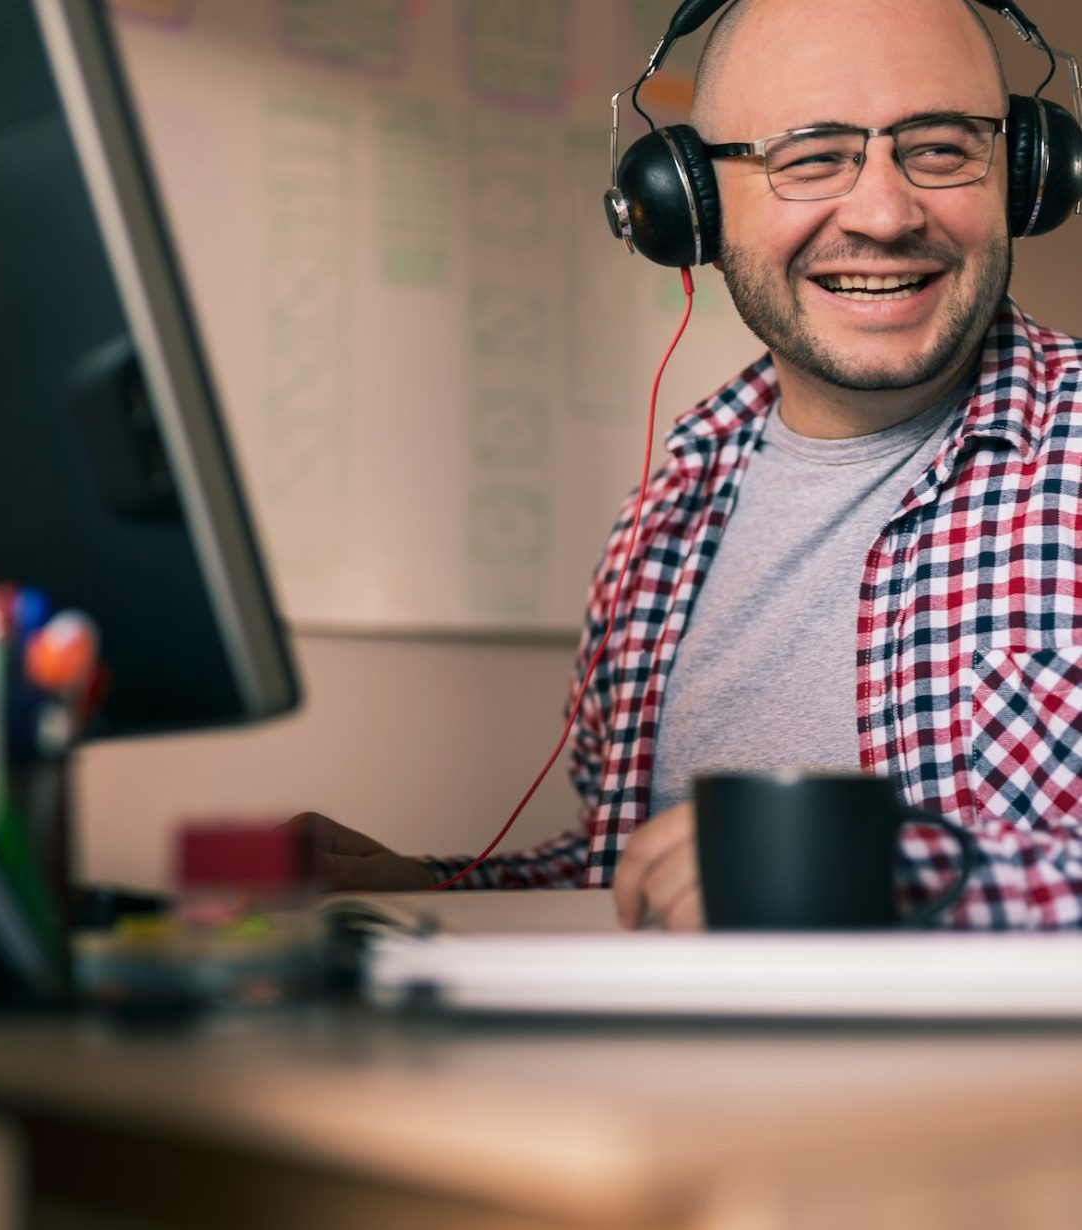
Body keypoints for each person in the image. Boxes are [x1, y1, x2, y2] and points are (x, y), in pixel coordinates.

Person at [292, 0, 1082, 931]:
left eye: (944, 148)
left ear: (1027, 173)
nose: (883, 213)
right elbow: (651, 874)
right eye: (810, 155)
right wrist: (427, 892)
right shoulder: (666, 515)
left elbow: (790, 882)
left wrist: (874, 879)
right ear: (686, 205)